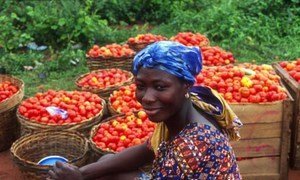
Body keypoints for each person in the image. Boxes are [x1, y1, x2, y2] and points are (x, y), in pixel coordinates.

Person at [48, 41, 243, 180]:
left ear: (186, 85)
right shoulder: (190, 106)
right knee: (107, 161)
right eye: (141, 86)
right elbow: (147, 150)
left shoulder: (194, 145)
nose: (147, 98)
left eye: (160, 87)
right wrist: (81, 173)